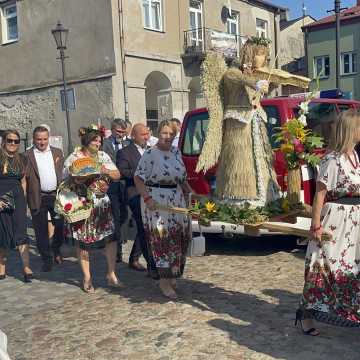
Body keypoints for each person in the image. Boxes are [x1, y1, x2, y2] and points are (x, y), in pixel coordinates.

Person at [196, 37, 283, 206]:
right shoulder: (232, 73)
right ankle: (241, 199)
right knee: (240, 160)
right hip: (238, 126)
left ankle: (266, 196)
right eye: (259, 54)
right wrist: (255, 82)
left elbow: (259, 91)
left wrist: (270, 84)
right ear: (249, 55)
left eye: (265, 55)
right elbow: (236, 78)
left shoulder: (257, 75)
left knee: (261, 157)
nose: (263, 59)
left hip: (255, 123)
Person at [296, 109, 360, 334]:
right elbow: (320, 195)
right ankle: (306, 316)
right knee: (322, 265)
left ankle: (347, 311)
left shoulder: (355, 156)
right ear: (351, 130)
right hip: (336, 220)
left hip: (353, 221)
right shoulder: (332, 159)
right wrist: (316, 225)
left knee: (350, 268)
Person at [134, 120, 192, 299]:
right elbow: (138, 178)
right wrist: (147, 198)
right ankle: (163, 282)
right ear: (158, 133)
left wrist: (191, 192)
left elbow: (181, 178)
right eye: (164, 133)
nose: (168, 137)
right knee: (162, 240)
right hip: (157, 202)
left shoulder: (176, 152)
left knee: (178, 238)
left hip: (176, 200)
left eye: (171, 134)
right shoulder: (151, 154)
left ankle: (172, 274)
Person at [63, 126, 121, 293]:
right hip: (82, 204)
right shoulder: (74, 157)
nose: (98, 142)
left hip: (102, 203)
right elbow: (64, 179)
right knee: (83, 241)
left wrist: (106, 171)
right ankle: (87, 277)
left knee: (111, 238)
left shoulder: (103, 156)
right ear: (86, 141)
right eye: (95, 140)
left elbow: (117, 174)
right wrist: (79, 179)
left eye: (99, 140)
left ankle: (111, 274)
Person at [116, 123, 156, 274]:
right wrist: (142, 172)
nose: (146, 137)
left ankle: (134, 258)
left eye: (147, 134)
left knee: (144, 228)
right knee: (144, 226)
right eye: (143, 134)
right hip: (134, 194)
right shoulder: (125, 152)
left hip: (152, 193)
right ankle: (152, 266)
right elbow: (123, 172)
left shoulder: (152, 151)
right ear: (133, 136)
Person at [25, 126, 64, 271]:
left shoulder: (57, 152)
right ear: (34, 139)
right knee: (40, 230)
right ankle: (47, 259)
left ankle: (56, 249)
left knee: (60, 225)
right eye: (39, 139)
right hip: (37, 196)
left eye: (45, 139)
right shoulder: (27, 155)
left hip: (55, 195)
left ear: (49, 138)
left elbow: (63, 173)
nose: (42, 142)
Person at [0, 130, 33, 283]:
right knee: (3, 232)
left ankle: (26, 268)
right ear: (4, 141)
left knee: (21, 230)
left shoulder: (23, 159)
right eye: (10, 140)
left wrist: (24, 199)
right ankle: (1, 267)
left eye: (16, 141)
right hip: (1, 198)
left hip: (18, 198)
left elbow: (23, 181)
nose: (13, 143)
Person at [102, 118, 129, 262]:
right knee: (116, 216)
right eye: (118, 131)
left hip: (125, 184)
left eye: (123, 132)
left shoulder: (127, 143)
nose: (120, 134)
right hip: (111, 185)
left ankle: (120, 239)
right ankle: (116, 250)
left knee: (125, 215)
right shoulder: (105, 144)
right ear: (112, 130)